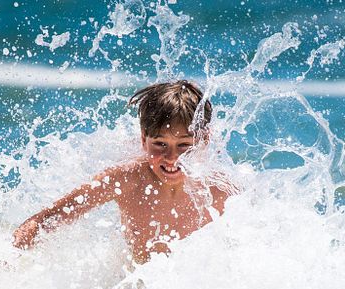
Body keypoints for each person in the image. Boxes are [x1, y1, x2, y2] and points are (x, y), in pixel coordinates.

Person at [12, 80, 232, 264]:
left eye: (184, 145)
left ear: (204, 139)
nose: (172, 157)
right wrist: (5, 260)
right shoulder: (127, 180)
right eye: (160, 144)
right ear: (143, 139)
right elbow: (52, 217)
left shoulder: (219, 191)